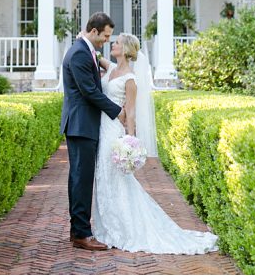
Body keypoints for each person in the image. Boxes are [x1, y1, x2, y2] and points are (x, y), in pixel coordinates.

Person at [91, 33, 219, 254]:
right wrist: (85, 37)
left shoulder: (130, 79)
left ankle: (122, 229)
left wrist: (129, 141)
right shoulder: (111, 68)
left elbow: (130, 113)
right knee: (103, 176)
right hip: (101, 128)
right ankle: (107, 226)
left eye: (117, 42)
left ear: (126, 49)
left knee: (116, 179)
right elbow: (92, 53)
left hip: (114, 130)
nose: (113, 44)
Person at [60, 12, 125, 251]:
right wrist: (117, 111)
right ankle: (81, 234)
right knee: (81, 179)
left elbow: (92, 77)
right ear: (94, 31)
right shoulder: (79, 53)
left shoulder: (84, 49)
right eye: (105, 36)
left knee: (80, 178)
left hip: (84, 124)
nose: (107, 40)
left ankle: (77, 229)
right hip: (80, 125)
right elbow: (89, 91)